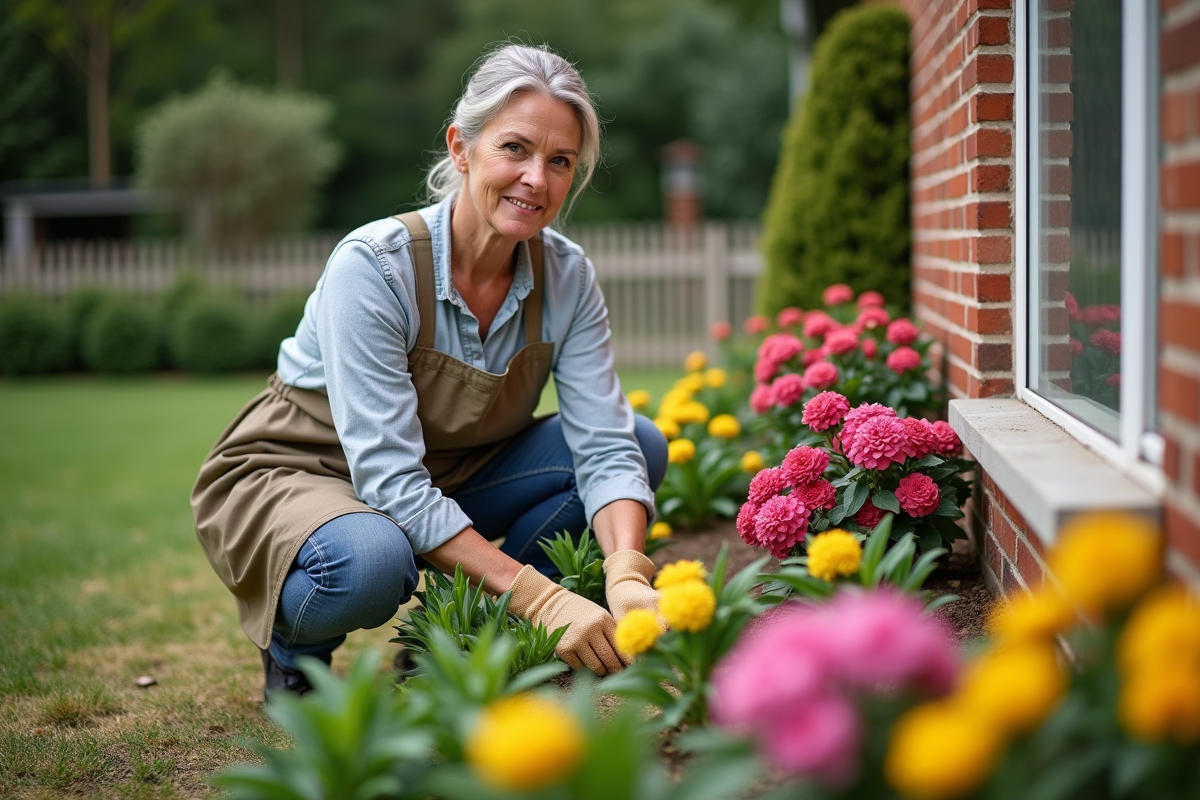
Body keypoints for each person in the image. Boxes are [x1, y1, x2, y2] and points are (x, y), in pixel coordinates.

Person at [191, 43, 668, 700]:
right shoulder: (374, 266)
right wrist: (544, 596)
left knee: (641, 444)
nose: (537, 177)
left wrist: (625, 572)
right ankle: (295, 654)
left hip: (452, 467)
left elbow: (606, 443)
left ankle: (465, 640)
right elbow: (388, 479)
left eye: (560, 161)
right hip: (310, 469)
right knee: (371, 560)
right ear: (461, 147)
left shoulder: (568, 274)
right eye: (515, 149)